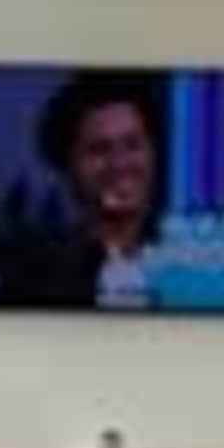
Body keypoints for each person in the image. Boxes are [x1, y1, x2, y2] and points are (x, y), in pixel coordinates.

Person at [20, 73, 168, 310]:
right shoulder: (36, 277)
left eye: (132, 145)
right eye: (99, 150)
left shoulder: (193, 259)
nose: (119, 164)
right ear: (67, 166)